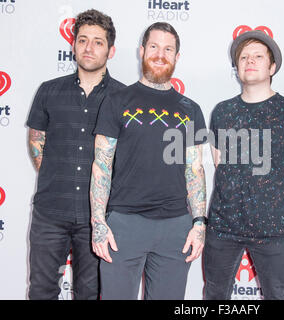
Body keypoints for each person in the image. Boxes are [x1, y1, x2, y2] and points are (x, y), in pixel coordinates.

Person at [90, 22, 207, 300]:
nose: (160, 54)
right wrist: (98, 222)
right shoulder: (116, 100)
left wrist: (199, 223)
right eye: (153, 46)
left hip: (176, 227)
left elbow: (195, 169)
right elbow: (101, 165)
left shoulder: (191, 109)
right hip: (123, 227)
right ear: (141, 51)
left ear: (177, 57)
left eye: (168, 49)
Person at [204, 30, 284, 300]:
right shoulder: (222, 111)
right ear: (237, 66)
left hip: (274, 231)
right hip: (222, 226)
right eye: (243, 57)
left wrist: (275, 203)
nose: (249, 61)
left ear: (272, 66)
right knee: (215, 294)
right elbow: (220, 163)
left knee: (278, 294)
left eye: (257, 56)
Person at [27, 9, 125, 299]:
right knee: (41, 292)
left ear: (111, 50)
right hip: (49, 215)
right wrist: (57, 177)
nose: (89, 47)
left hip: (99, 220)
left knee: (91, 293)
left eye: (97, 41)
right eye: (83, 40)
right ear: (73, 46)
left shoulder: (123, 98)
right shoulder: (48, 91)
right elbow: (36, 141)